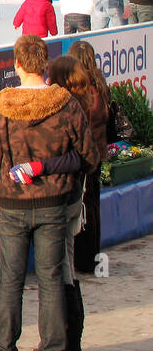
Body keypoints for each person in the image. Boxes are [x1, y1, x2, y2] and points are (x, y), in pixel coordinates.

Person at [0, 34, 99, 351]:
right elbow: (89, 156)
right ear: (45, 63)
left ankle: (3, 350)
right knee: (52, 277)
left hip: (12, 205)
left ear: (16, 64)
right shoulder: (66, 103)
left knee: (10, 279)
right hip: (55, 205)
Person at [67, 40, 109, 282]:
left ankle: (79, 258)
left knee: (80, 207)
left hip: (82, 156)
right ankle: (90, 257)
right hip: (96, 154)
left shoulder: (77, 89)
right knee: (92, 205)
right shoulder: (99, 83)